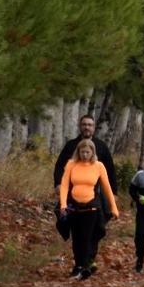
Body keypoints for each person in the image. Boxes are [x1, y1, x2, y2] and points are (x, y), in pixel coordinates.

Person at [53, 114, 118, 272]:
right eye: (84, 124)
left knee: (95, 229)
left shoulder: (101, 146)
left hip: (96, 195)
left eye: (90, 124)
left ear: (94, 127)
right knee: (74, 228)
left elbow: (109, 170)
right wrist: (58, 183)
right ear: (79, 126)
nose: (87, 127)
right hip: (72, 195)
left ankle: (89, 259)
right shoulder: (71, 146)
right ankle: (81, 261)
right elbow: (60, 166)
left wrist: (113, 195)